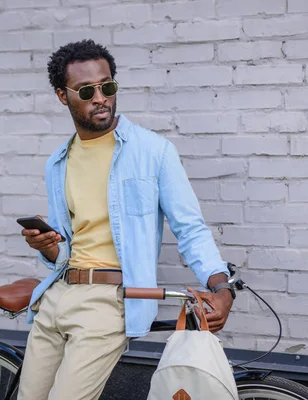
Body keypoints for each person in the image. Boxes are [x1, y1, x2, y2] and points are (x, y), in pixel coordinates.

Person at [18, 39, 234, 400]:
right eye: (87, 90)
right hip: (56, 295)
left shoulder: (154, 152)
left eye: (108, 86)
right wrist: (46, 246)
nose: (100, 96)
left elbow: (190, 229)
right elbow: (65, 246)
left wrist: (220, 286)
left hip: (109, 301)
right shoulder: (58, 162)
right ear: (62, 96)